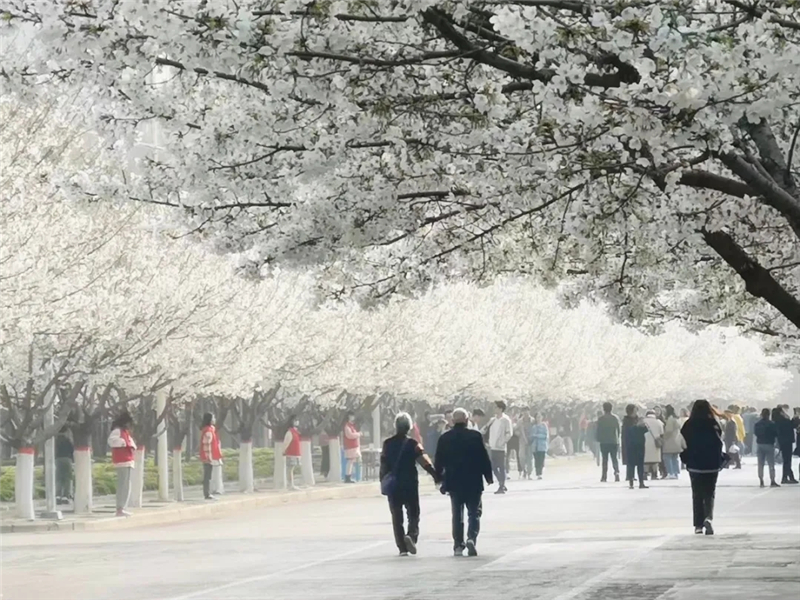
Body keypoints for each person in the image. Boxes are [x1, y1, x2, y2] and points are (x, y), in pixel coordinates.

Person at [435, 408, 493, 557]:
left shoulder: (445, 438)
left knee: (457, 514)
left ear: (453, 422)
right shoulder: (475, 436)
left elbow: (439, 461)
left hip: (454, 481)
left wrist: (439, 479)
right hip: (473, 480)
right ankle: (471, 538)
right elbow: (483, 457)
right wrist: (488, 476)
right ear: (467, 421)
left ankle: (458, 545)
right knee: (474, 512)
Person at [380, 412, 437, 556]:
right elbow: (424, 461)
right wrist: (436, 475)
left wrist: (383, 481)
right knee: (413, 513)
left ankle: (402, 547)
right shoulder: (413, 444)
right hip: (410, 483)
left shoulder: (387, 444)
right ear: (409, 427)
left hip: (393, 484)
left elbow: (383, 464)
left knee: (396, 515)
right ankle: (411, 536)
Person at [681, 400, 725, 535]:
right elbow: (719, 441)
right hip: (711, 464)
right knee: (709, 493)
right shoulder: (713, 424)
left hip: (695, 464)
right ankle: (708, 518)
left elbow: (683, 441)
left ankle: (698, 525)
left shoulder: (689, 424)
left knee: (697, 493)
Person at [107, 412, 136, 517]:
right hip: (122, 460)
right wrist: (123, 443)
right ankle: (120, 508)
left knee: (127, 485)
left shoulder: (125, 432)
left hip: (128, 460)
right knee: (123, 485)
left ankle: (123, 507)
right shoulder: (117, 431)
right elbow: (111, 441)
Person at [486, 401, 513, 493]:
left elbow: (509, 433)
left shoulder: (506, 420)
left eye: (496, 407)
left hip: (501, 448)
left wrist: (502, 442)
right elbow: (486, 430)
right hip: (492, 446)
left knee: (501, 467)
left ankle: (502, 485)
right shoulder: (492, 420)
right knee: (493, 467)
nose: (495, 409)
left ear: (500, 409)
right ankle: (501, 483)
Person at [622, 404, 648, 489]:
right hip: (630, 445)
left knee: (641, 464)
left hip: (640, 444)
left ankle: (641, 482)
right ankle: (631, 482)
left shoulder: (638, 419)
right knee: (631, 464)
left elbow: (645, 430)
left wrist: (643, 425)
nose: (636, 411)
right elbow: (627, 432)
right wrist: (636, 426)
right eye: (635, 410)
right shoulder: (626, 420)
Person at [754, 408, 779, 488]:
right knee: (771, 463)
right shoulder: (772, 424)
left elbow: (756, 433)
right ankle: (772, 480)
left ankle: (761, 480)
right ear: (769, 414)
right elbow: (776, 434)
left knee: (760, 464)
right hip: (769, 444)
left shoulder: (757, 424)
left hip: (760, 444)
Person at [200, 412, 222, 500]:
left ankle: (208, 492)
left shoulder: (210, 429)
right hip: (208, 457)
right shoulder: (208, 431)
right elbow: (207, 445)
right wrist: (208, 457)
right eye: (213, 418)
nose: (215, 419)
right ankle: (207, 493)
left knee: (208, 475)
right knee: (207, 476)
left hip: (209, 456)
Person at [596, 402, 621, 482]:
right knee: (614, 458)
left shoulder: (601, 419)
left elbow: (598, 430)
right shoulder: (615, 418)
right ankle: (616, 473)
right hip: (613, 441)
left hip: (604, 441)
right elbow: (618, 430)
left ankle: (604, 476)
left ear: (603, 409)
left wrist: (598, 439)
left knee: (605, 459)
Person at [775, 406, 798, 484]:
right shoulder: (783, 420)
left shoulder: (778, 420)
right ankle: (788, 477)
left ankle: (786, 477)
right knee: (787, 460)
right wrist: (795, 417)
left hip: (783, 441)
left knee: (786, 460)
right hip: (787, 441)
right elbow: (792, 425)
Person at [662, 405, 683, 479]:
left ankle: (671, 472)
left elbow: (668, 431)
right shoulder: (676, 419)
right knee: (674, 457)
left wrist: (663, 438)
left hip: (670, 441)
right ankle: (676, 472)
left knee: (667, 457)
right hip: (676, 440)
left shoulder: (670, 419)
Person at [642, 410, 664, 481]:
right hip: (655, 442)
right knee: (655, 460)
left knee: (646, 459)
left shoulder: (643, 421)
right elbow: (662, 433)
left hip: (644, 442)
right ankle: (654, 474)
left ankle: (645, 474)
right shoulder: (658, 422)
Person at [55, 427, 74, 505]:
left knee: (59, 478)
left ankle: (58, 496)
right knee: (67, 478)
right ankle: (66, 496)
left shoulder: (55, 441)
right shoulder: (67, 440)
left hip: (58, 460)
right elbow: (72, 450)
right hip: (67, 459)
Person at [283, 415, 302, 490]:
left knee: (292, 469)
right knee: (290, 469)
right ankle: (290, 485)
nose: (297, 422)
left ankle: (291, 484)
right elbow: (286, 442)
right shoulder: (290, 432)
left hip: (296, 453)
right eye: (295, 420)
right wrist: (283, 450)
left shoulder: (296, 432)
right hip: (291, 453)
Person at [343, 411, 362, 483]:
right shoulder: (347, 426)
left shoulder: (351, 426)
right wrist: (358, 434)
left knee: (352, 461)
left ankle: (350, 475)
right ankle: (348, 476)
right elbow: (350, 435)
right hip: (350, 446)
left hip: (354, 447)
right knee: (350, 461)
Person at [530, 413, 549, 479]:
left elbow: (546, 435)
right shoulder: (534, 427)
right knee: (536, 459)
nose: (538, 418)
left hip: (542, 445)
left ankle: (540, 473)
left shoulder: (544, 426)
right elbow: (532, 435)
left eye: (540, 417)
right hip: (535, 446)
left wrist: (537, 436)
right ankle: (537, 473)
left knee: (541, 459)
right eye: (537, 417)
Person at [517, 409, 532, 479]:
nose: (525, 413)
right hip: (522, 441)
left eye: (527, 411)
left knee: (530, 457)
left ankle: (529, 473)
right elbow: (516, 429)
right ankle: (524, 470)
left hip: (531, 440)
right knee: (521, 456)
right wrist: (519, 433)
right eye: (524, 411)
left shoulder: (533, 420)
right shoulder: (520, 421)